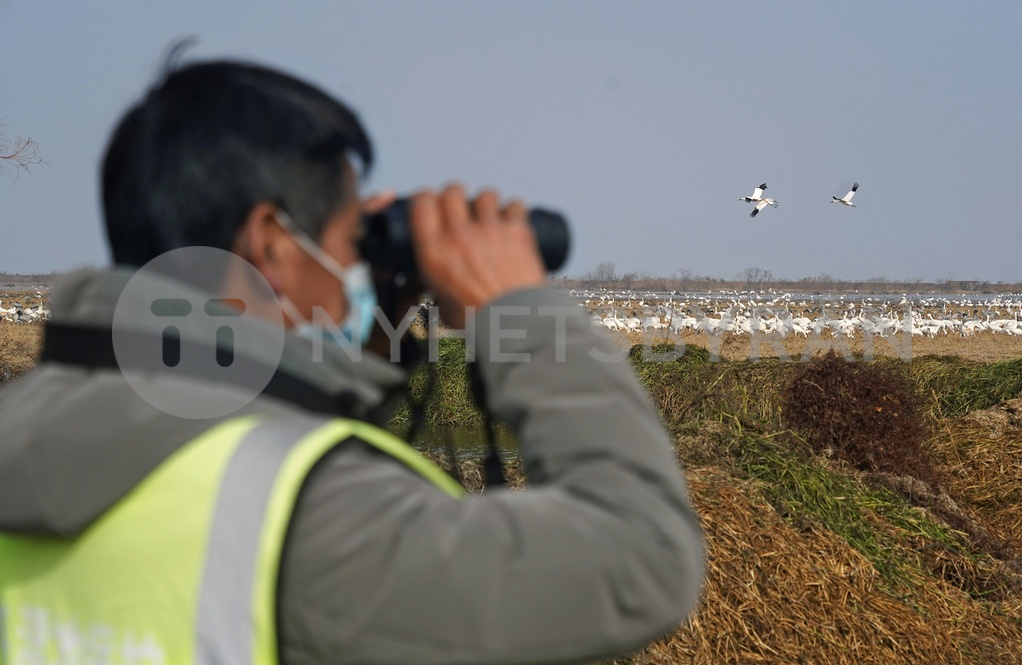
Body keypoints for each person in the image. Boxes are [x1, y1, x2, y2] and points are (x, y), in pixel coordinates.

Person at [0, 50, 704, 665]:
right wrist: (518, 309)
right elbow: (641, 555)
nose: (357, 273)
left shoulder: (25, 423)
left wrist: (366, 362)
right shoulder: (311, 520)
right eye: (350, 242)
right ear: (272, 243)